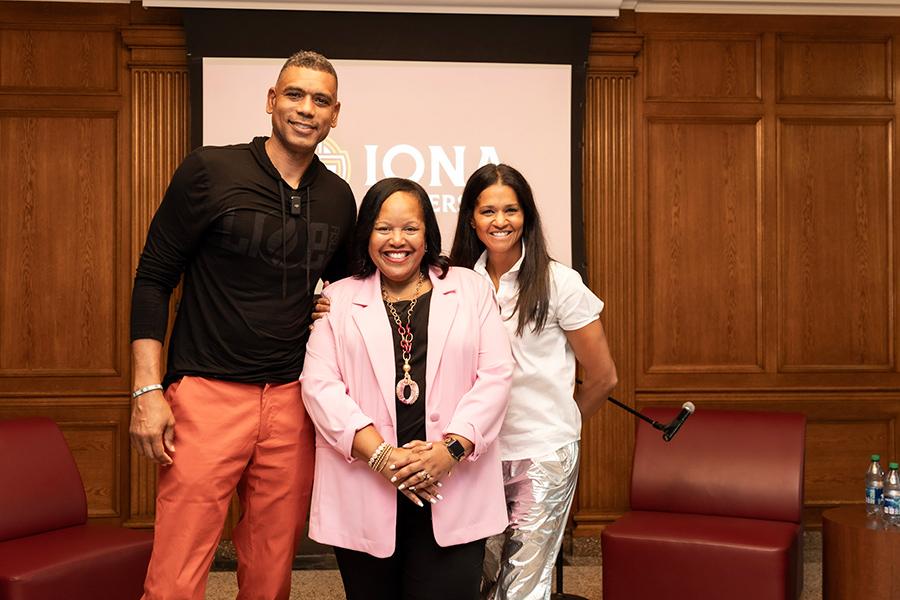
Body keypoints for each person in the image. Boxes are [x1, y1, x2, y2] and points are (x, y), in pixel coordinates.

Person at [128, 50, 355, 600]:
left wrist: (328, 308)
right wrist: (147, 389)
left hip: (292, 402)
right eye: (295, 95)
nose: (306, 109)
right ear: (271, 101)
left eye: (320, 100)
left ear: (335, 115)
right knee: (178, 570)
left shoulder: (338, 198)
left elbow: (351, 293)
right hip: (206, 394)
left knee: (272, 568)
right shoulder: (211, 169)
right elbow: (154, 278)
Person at [300, 177, 514, 600]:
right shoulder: (337, 299)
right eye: (383, 228)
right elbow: (320, 387)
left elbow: (496, 375)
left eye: (410, 228)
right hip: (365, 485)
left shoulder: (469, 290)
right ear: (366, 235)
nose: (397, 241)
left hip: (452, 485)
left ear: (427, 234)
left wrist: (449, 450)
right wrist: (384, 457)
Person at [450, 163, 618, 600]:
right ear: (471, 217)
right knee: (472, 579)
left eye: (511, 210)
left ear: (527, 216)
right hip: (472, 456)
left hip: (541, 455)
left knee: (522, 584)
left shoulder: (560, 282)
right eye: (488, 211)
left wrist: (559, 425)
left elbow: (602, 377)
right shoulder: (455, 283)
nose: (500, 221)